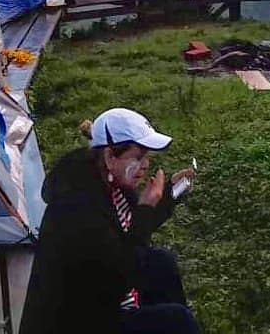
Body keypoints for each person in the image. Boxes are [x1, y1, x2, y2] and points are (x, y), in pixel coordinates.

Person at [19, 108, 198, 334]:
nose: (145, 165)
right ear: (110, 157)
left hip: (101, 299)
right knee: (177, 321)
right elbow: (122, 273)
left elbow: (131, 230)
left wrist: (170, 193)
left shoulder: (112, 185)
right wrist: (144, 209)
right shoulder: (77, 209)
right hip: (78, 319)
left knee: (161, 262)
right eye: (138, 157)